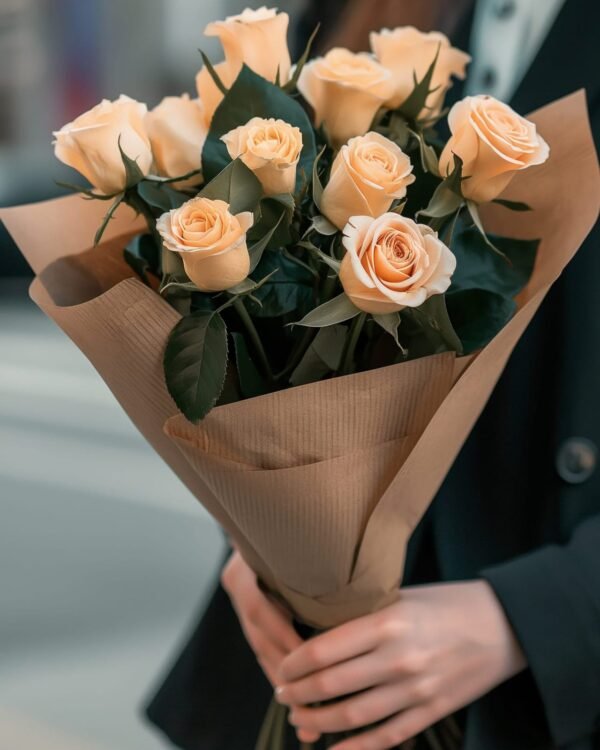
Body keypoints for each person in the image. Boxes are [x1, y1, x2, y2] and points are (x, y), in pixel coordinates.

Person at [146, 1, 600, 748]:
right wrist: (259, 544)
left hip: (542, 685)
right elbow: (279, 301)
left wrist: (533, 617)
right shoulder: (375, 10)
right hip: (318, 660)